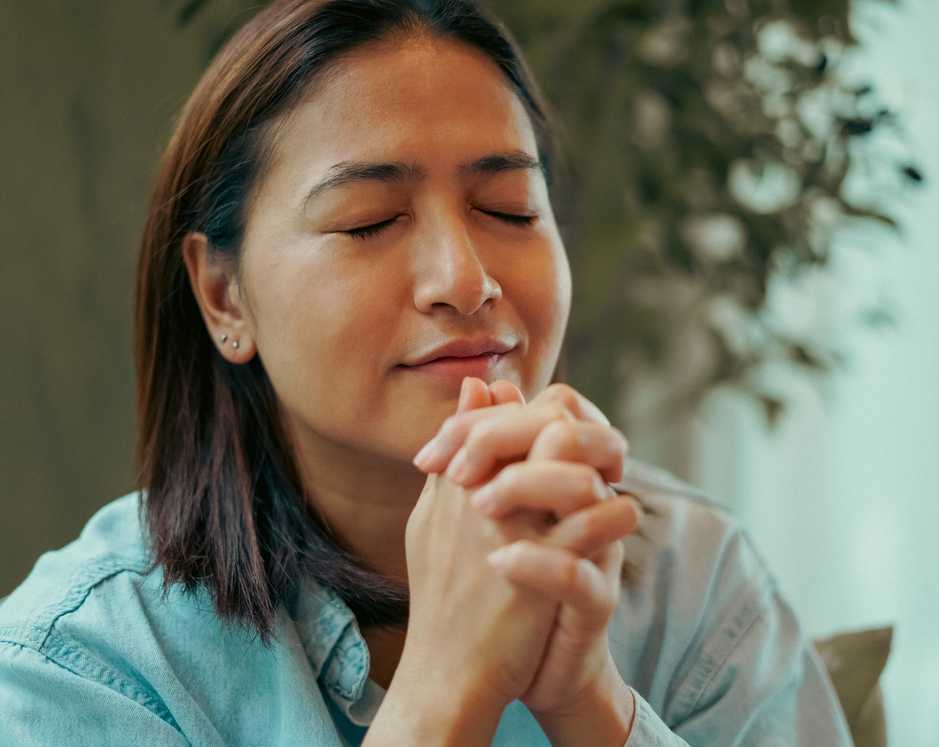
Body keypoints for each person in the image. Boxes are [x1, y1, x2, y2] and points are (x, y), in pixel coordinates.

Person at [0, 1, 853, 744]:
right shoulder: (78, 663)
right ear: (224, 295)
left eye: (507, 209)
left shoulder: (692, 581)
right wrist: (445, 691)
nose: (466, 279)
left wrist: (594, 706)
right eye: (369, 221)